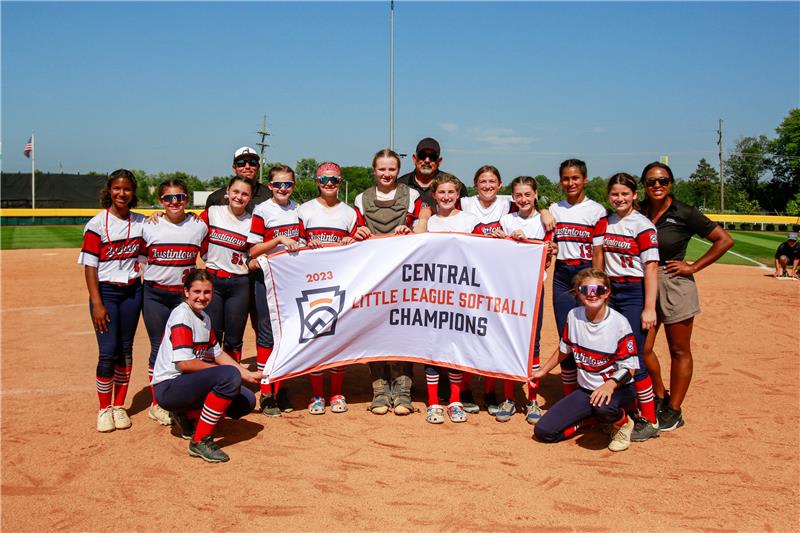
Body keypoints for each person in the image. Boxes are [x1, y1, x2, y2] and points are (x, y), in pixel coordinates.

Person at [639, 161, 733, 431]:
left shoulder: (684, 212)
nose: (657, 186)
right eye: (651, 181)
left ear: (671, 183)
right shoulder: (638, 211)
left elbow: (724, 240)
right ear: (644, 185)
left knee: (678, 349)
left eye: (663, 181)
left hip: (674, 282)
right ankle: (659, 394)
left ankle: (674, 409)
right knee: (642, 348)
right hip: (645, 281)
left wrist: (693, 266)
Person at [151, 269, 262, 463]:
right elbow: (185, 364)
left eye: (207, 292)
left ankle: (187, 413)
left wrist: (246, 373)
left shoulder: (204, 317)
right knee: (228, 377)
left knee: (245, 402)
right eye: (197, 292)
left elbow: (216, 353)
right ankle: (200, 440)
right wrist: (229, 373)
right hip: (169, 387)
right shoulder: (182, 317)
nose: (202, 297)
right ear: (186, 292)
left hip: (185, 384)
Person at [532, 268, 638, 452]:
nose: (592, 295)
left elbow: (630, 368)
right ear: (579, 293)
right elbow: (564, 349)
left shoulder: (619, 323)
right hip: (586, 391)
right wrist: (542, 371)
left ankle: (622, 423)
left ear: (607, 293)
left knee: (604, 407)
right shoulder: (574, 316)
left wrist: (609, 385)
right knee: (544, 431)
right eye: (585, 290)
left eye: (598, 290)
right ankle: (592, 418)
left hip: (617, 390)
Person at [298, 162, 371, 414]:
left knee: (338, 336)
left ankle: (337, 392)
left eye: (334, 180)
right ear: (317, 182)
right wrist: (306, 242)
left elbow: (363, 239)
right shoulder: (304, 210)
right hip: (311, 282)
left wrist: (353, 238)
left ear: (341, 182)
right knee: (315, 334)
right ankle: (317, 394)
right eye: (324, 180)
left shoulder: (349, 212)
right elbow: (294, 243)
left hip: (341, 281)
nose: (329, 184)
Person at [592, 173, 660, 441]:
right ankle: (628, 407)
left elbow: (651, 268)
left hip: (634, 290)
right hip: (611, 290)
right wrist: (597, 292)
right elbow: (598, 258)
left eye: (625, 194)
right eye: (615, 194)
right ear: (608, 196)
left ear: (634, 195)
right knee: (612, 352)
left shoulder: (642, 225)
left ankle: (650, 419)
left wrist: (649, 307)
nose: (619, 199)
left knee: (635, 358)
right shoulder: (603, 222)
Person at [353, 149, 421, 416]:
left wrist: (411, 229)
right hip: (372, 274)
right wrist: (358, 232)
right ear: (373, 170)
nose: (386, 174)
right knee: (374, 330)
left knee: (403, 329)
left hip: (403, 273)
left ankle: (403, 390)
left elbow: (420, 226)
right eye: (381, 169)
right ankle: (380, 390)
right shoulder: (361, 198)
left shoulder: (411, 195)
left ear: (398, 170)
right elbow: (355, 229)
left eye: (391, 169)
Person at [78, 169, 144, 432]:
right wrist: (97, 302)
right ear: (109, 190)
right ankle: (104, 409)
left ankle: (119, 405)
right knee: (108, 352)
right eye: (117, 188)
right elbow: (90, 266)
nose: (122, 193)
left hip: (132, 292)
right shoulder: (96, 224)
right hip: (106, 292)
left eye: (127, 189)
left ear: (133, 192)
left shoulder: (140, 222)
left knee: (125, 350)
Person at [142, 179, 208, 426]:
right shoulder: (150, 225)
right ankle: (157, 403)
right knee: (159, 347)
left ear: (187, 199)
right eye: (168, 198)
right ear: (160, 201)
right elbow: (139, 257)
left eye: (179, 197)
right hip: (156, 294)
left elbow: (209, 252)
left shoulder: (198, 225)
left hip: (183, 299)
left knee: (185, 349)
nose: (174, 203)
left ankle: (182, 396)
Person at [490, 176, 553, 424]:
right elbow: (496, 254)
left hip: (534, 290)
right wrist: (505, 240)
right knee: (508, 341)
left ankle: (532, 399)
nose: (523, 199)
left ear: (535, 194)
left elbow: (548, 253)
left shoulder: (544, 221)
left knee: (532, 345)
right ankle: (509, 397)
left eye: (528, 194)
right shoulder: (506, 220)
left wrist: (526, 242)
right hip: (508, 289)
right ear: (513, 197)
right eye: (518, 195)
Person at [423, 174, 482, 424]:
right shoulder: (428, 223)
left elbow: (486, 251)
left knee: (458, 347)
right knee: (433, 348)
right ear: (434, 195)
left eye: (451, 192)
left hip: (462, 294)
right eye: (442, 192)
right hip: (433, 294)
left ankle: (455, 399)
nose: (446, 197)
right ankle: (434, 402)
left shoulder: (470, 221)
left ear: (458, 195)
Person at [247, 164, 303, 417]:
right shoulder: (262, 210)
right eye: (278, 184)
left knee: (287, 333)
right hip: (266, 279)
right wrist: (279, 240)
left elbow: (300, 241)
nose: (283, 188)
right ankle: (267, 391)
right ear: (270, 186)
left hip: (289, 280)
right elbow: (253, 250)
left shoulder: (297, 210)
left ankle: (280, 386)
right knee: (267, 335)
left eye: (288, 184)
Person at [548, 159, 606, 397]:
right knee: (566, 333)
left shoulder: (596, 210)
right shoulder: (555, 209)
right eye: (565, 178)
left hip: (585, 274)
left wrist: (597, 283)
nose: (570, 183)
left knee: (590, 331)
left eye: (575, 178)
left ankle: (592, 386)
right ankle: (570, 393)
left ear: (585, 179)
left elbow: (598, 252)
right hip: (562, 275)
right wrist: (543, 213)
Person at [199, 176, 253, 363]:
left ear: (250, 197)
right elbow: (190, 229)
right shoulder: (213, 212)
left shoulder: (252, 221)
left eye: (245, 194)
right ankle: (210, 380)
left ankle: (231, 381)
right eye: (236, 191)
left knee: (234, 339)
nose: (239, 197)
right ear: (228, 192)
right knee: (211, 335)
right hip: (213, 281)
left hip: (239, 283)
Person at [397, 137, 466, 229]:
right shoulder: (400, 185)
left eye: (432, 157)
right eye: (422, 155)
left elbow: (464, 216)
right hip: (409, 238)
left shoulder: (455, 185)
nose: (427, 160)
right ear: (414, 159)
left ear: (439, 161)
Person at [205, 146, 271, 211]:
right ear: (234, 168)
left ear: (258, 167)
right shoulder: (215, 198)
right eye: (241, 163)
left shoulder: (270, 196)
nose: (247, 166)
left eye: (252, 162)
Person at [461, 164, 516, 236]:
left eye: (492, 181)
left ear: (499, 184)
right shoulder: (463, 204)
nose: (487, 186)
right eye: (483, 181)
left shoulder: (510, 207)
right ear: (476, 184)